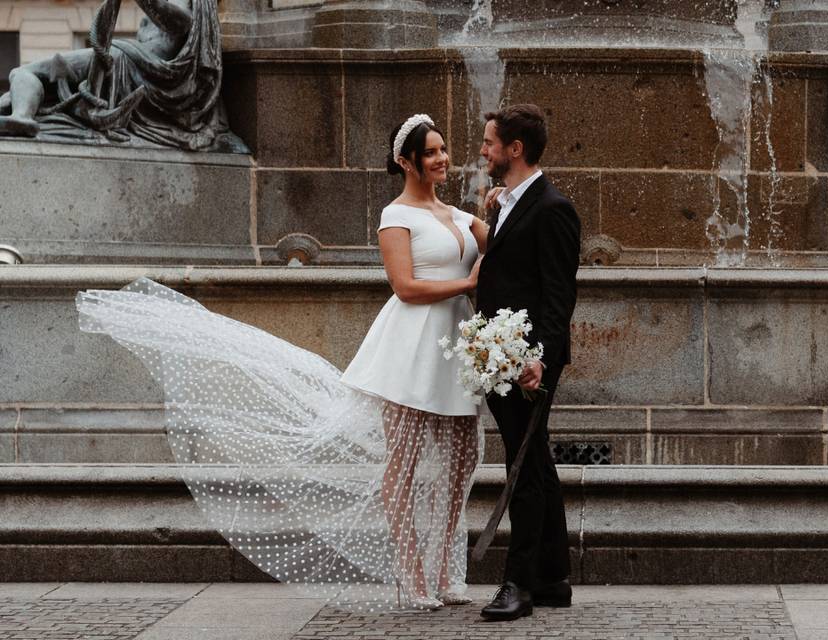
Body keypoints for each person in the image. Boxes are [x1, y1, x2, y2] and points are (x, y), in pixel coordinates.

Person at [76, 114, 490, 612]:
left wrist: (498, 207)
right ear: (406, 161)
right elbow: (404, 286)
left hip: (455, 346)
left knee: (461, 461)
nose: (442, 159)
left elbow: (502, 246)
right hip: (410, 348)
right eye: (431, 152)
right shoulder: (396, 216)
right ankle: (413, 573)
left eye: (443, 150)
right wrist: (467, 285)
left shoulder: (464, 218)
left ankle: (445, 569)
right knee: (402, 464)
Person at [475, 104, 582, 621]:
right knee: (533, 459)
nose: (483, 149)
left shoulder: (552, 207)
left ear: (515, 149)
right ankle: (551, 577)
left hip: (528, 363)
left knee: (521, 468)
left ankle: (518, 583)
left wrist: (539, 358)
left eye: (490, 142)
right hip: (506, 358)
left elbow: (559, 297)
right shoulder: (510, 203)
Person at [0, 0, 237, 151]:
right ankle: (19, 114)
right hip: (129, 62)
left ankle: (22, 118)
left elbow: (181, 24)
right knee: (25, 87)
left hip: (133, 64)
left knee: (26, 72)